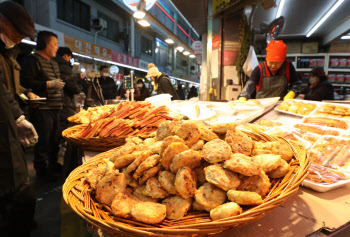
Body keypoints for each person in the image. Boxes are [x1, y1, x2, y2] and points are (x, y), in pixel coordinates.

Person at [0, 1, 38, 236]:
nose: (20, 39)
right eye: (18, 33)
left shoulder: (8, 54)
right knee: (14, 191)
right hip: (2, 135)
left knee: (19, 187)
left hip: (8, 129)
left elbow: (5, 90)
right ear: (3, 21)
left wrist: (18, 117)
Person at [21, 30, 64, 178]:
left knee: (54, 139)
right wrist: (48, 84)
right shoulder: (32, 60)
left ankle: (53, 164)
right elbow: (25, 82)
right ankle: (42, 168)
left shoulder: (54, 62)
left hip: (55, 106)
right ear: (45, 44)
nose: (57, 48)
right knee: (43, 140)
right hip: (41, 108)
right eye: (55, 44)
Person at [54, 47, 85, 178]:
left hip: (57, 105)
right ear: (66, 56)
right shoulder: (64, 67)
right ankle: (63, 167)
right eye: (70, 57)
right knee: (64, 135)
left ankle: (56, 164)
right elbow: (73, 86)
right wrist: (78, 83)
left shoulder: (53, 64)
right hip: (65, 105)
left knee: (57, 135)